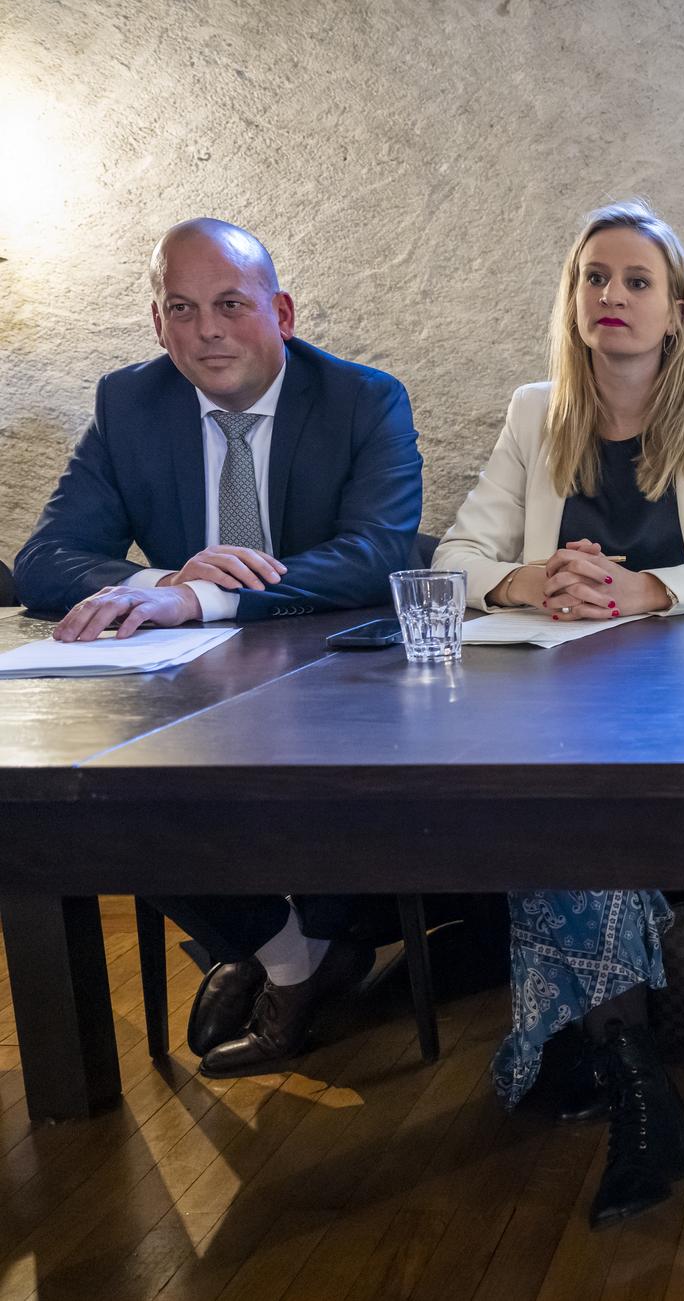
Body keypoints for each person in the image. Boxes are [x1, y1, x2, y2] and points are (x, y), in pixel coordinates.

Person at [435, 200, 684, 1227]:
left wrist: (657, 590)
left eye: (637, 280)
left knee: (571, 813)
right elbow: (454, 559)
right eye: (593, 278)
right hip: (562, 696)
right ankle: (639, 1081)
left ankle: (610, 1060)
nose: (612, 295)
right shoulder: (535, 412)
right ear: (573, 301)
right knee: (554, 795)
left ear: (676, 308)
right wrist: (524, 580)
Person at [14, 217, 423, 1081]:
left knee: (338, 768)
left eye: (231, 304)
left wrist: (204, 596)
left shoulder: (363, 399)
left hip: (334, 679)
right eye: (182, 308)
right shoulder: (129, 403)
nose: (206, 330)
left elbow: (379, 552)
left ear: (282, 313)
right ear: (157, 323)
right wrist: (163, 579)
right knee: (83, 786)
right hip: (186, 686)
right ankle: (284, 953)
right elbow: (45, 559)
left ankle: (285, 945)